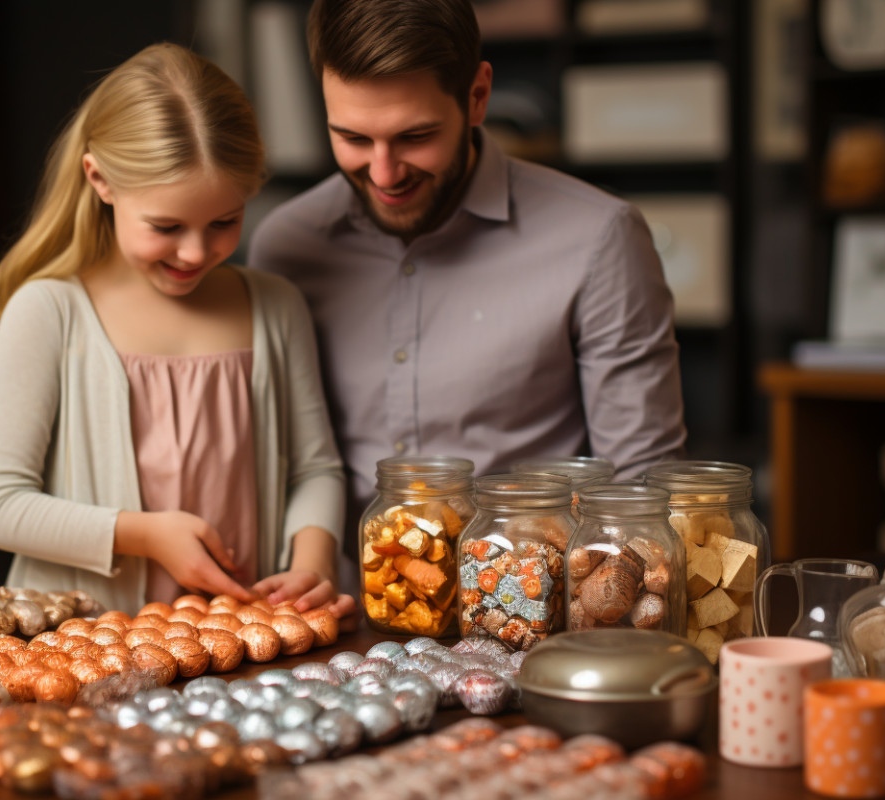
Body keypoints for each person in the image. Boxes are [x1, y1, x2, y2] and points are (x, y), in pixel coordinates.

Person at [249, 0, 687, 536]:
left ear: (477, 96)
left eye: (415, 137)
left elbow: (641, 495)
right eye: (353, 138)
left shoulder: (599, 239)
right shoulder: (286, 246)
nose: (384, 173)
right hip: (345, 611)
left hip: (533, 605)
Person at [0, 43, 354, 619]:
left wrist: (312, 561)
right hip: (80, 645)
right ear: (100, 180)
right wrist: (145, 534)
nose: (195, 252)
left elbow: (316, 468)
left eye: (224, 221)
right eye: (166, 225)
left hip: (241, 644)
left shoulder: (274, 306)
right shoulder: (48, 311)